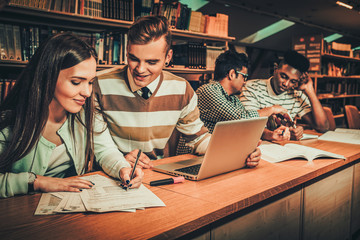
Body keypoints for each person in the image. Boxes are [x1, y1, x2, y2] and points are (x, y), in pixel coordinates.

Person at [95, 15, 261, 168]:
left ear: (168, 57)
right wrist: (119, 160)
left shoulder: (181, 89)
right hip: (111, 173)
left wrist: (241, 152)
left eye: (152, 62)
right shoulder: (99, 84)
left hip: (154, 172)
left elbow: (198, 138)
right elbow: (96, 145)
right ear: (126, 51)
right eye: (133, 59)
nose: (140, 69)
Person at [0, 33, 143, 198]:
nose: (87, 92)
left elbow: (106, 151)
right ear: (48, 77)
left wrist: (123, 169)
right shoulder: (10, 122)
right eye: (76, 82)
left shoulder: (87, 114)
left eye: (90, 82)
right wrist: (38, 182)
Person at [195, 50, 290, 140]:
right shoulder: (208, 90)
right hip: (193, 153)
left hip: (217, 149)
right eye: (244, 76)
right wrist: (272, 109)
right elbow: (242, 119)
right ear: (232, 74)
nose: (245, 82)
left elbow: (245, 126)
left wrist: (272, 135)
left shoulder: (232, 99)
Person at [240, 50, 329, 140]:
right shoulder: (251, 88)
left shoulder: (297, 95)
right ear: (275, 69)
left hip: (284, 147)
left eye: (293, 81)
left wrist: (310, 90)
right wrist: (273, 135)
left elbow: (323, 127)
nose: (286, 84)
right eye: (283, 76)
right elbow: (248, 124)